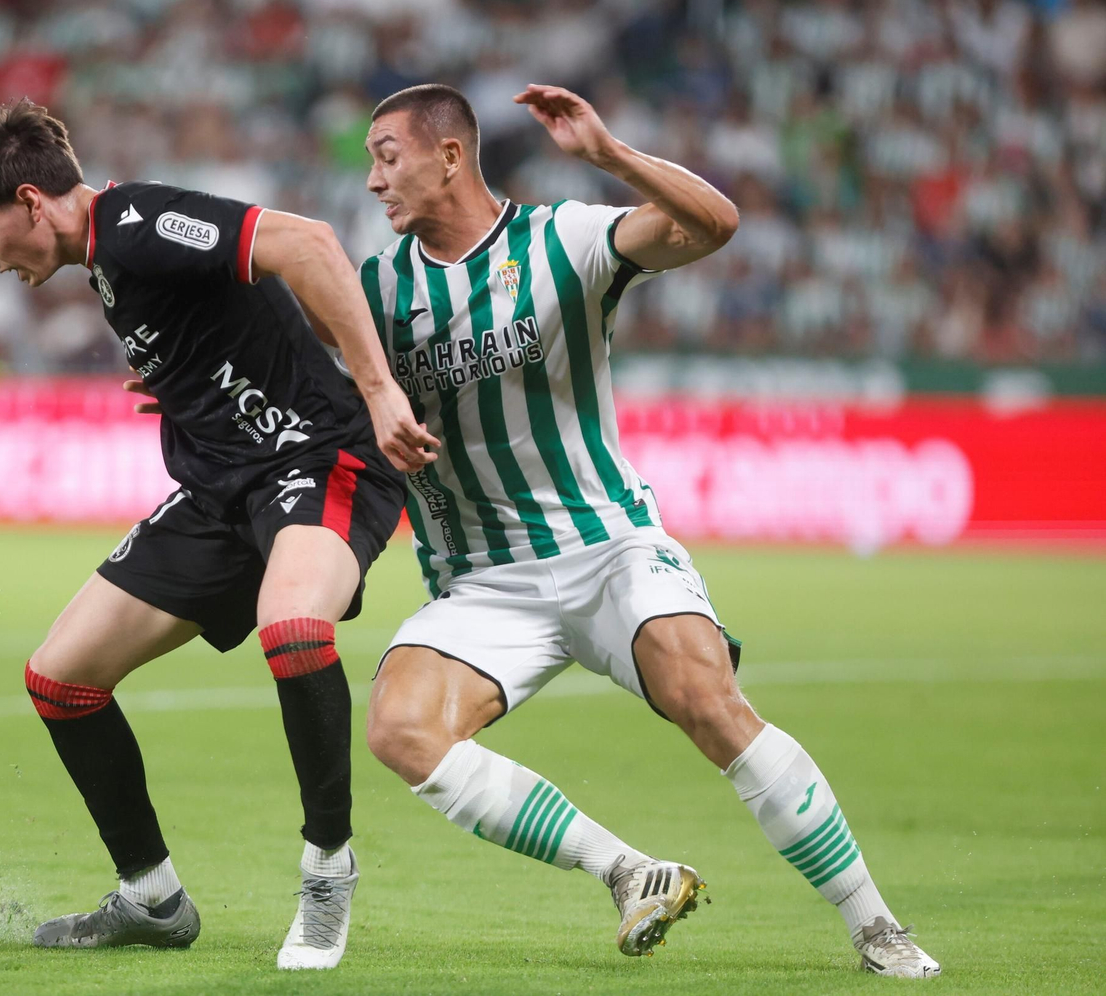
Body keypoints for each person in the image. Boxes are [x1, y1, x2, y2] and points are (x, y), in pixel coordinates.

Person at [354, 83, 940, 978]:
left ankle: (875, 925)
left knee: (706, 699)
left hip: (607, 546)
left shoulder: (565, 238)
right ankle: (628, 871)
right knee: (400, 729)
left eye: (386, 155)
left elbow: (715, 225)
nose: (372, 180)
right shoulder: (375, 289)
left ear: (449, 156)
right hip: (482, 583)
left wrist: (609, 154)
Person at [0, 99, 439, 970]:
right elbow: (225, 320)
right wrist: (184, 385)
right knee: (61, 678)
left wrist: (380, 394)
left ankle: (326, 874)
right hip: (224, 487)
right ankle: (150, 899)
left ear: (33, 202)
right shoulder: (107, 264)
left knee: (293, 626)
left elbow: (306, 246)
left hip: (318, 458)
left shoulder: (136, 223)